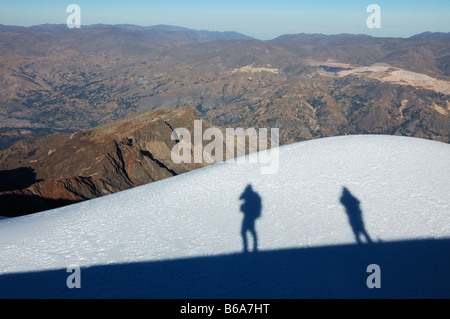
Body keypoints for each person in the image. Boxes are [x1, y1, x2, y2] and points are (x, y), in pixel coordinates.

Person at [239, 184, 262, 253]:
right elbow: (240, 198)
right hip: (249, 215)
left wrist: (245, 192)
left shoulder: (252, 195)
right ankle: (250, 247)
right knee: (248, 231)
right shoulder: (253, 195)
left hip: (250, 215)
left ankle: (250, 247)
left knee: (247, 231)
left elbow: (241, 197)